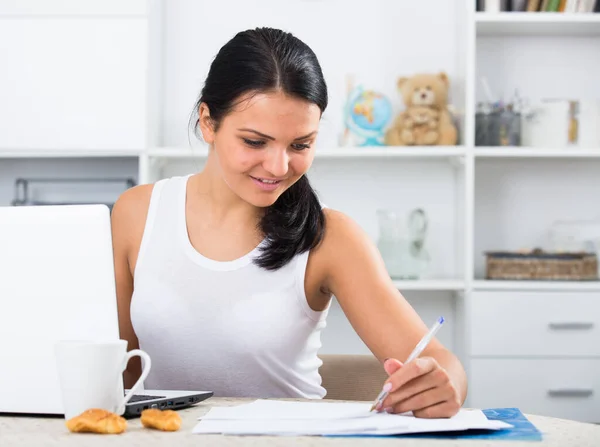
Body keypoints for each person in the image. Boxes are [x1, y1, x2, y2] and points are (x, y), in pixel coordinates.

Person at [111, 27, 467, 418]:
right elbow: (118, 376)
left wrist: (442, 384)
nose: (279, 167)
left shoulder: (331, 237)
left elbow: (438, 360)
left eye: (300, 145)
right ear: (208, 122)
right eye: (255, 142)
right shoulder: (136, 214)